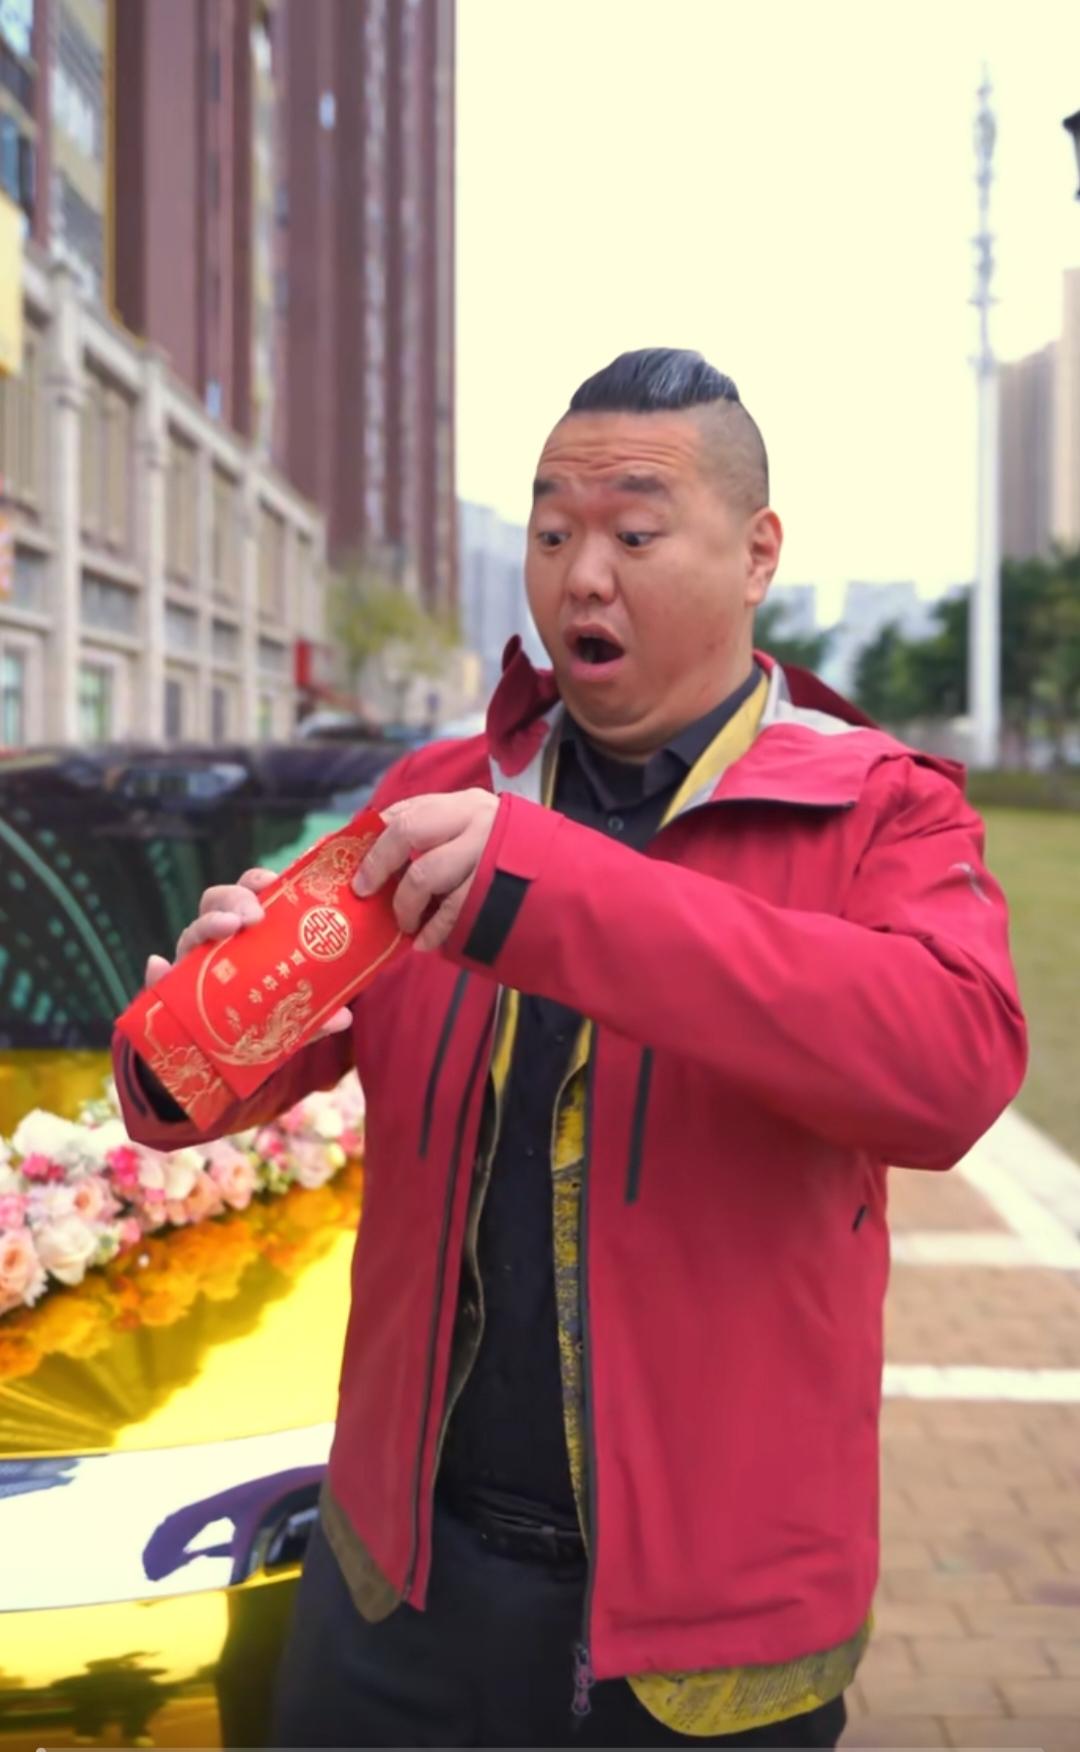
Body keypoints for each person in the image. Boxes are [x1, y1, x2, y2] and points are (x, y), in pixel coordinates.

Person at [114, 348, 1027, 1749]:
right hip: (399, 1579)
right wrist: (212, 1015)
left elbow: (953, 1069)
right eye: (551, 534)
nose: (581, 577)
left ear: (757, 553)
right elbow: (211, 1085)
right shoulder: (436, 794)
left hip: (710, 1626)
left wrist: (550, 892)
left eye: (634, 534)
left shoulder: (879, 811)